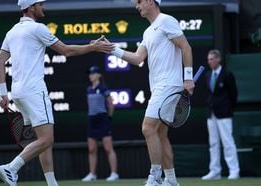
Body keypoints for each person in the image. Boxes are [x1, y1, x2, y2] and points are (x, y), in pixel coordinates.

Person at [0, 0, 114, 186]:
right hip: (34, 91)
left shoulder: (12, 32)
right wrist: (93, 47)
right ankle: (11, 167)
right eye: (40, 4)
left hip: (18, 93)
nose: (44, 7)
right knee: (47, 139)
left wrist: (3, 94)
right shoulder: (38, 28)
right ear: (31, 7)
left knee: (43, 140)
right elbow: (65, 50)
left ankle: (52, 184)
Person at [102, 0, 194, 185]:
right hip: (159, 86)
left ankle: (155, 177)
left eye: (139, 1)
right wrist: (112, 49)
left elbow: (186, 47)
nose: (137, 6)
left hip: (168, 86)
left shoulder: (167, 20)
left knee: (147, 128)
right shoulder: (148, 31)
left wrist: (189, 78)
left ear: (152, 2)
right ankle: (171, 180)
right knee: (160, 134)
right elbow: (137, 58)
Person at [201, 49, 240, 180]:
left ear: (218, 59)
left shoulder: (227, 75)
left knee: (228, 142)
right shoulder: (207, 75)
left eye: (212, 59)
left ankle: (234, 170)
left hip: (224, 113)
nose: (209, 62)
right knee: (213, 143)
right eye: (208, 60)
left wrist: (228, 109)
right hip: (211, 113)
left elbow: (233, 95)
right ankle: (215, 171)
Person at [81, 65, 119, 182]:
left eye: (93, 73)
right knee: (92, 149)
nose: (91, 75)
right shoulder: (88, 89)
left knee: (108, 148)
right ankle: (92, 174)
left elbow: (111, 103)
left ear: (99, 75)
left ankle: (114, 174)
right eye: (90, 73)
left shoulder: (103, 88)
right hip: (92, 119)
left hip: (102, 119)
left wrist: (109, 117)